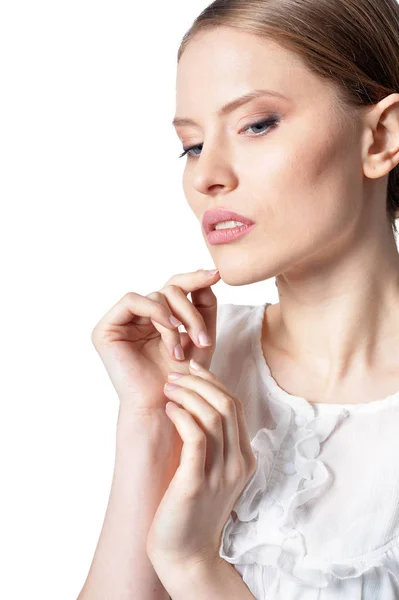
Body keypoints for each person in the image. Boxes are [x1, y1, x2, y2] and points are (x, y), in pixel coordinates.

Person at [77, 0, 399, 598]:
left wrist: (195, 565)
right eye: (192, 146)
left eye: (256, 124)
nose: (206, 177)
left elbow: (189, 564)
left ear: (381, 135)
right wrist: (149, 423)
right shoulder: (192, 365)